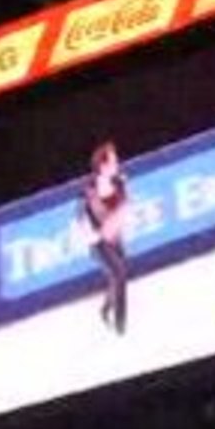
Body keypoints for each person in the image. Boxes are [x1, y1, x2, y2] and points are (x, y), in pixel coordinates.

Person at [83, 141, 129, 335]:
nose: (117, 163)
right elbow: (81, 215)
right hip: (97, 242)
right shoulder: (89, 188)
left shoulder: (119, 181)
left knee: (116, 275)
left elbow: (125, 205)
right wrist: (93, 233)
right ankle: (121, 327)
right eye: (113, 161)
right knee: (119, 275)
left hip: (115, 236)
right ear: (102, 165)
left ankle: (106, 309)